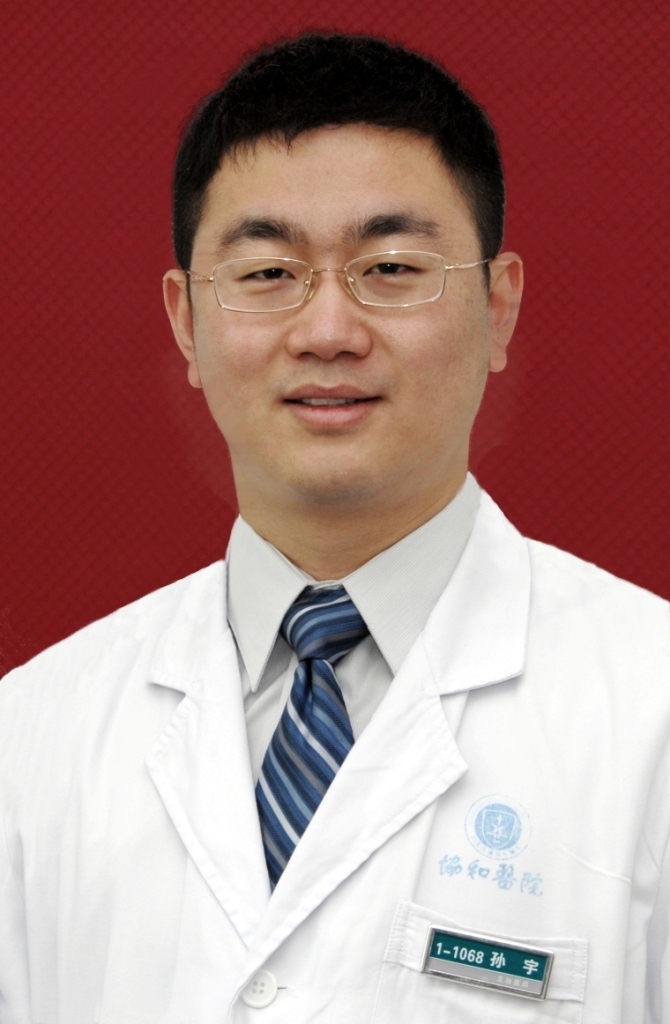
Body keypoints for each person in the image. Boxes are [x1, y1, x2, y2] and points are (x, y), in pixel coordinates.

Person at [0, 31, 668, 1024]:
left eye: (390, 267)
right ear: (186, 323)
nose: (326, 332)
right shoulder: (30, 736)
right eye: (268, 273)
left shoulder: (652, 713)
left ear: (497, 307)